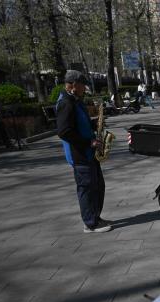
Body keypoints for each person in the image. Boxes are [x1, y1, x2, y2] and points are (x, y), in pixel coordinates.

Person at [56, 70, 111, 233]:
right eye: (82, 85)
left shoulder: (75, 100)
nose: (84, 89)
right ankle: (90, 223)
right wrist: (89, 141)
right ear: (73, 84)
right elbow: (64, 131)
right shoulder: (66, 103)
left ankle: (95, 217)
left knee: (98, 186)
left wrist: (95, 125)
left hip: (89, 152)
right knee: (86, 188)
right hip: (80, 153)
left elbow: (79, 124)